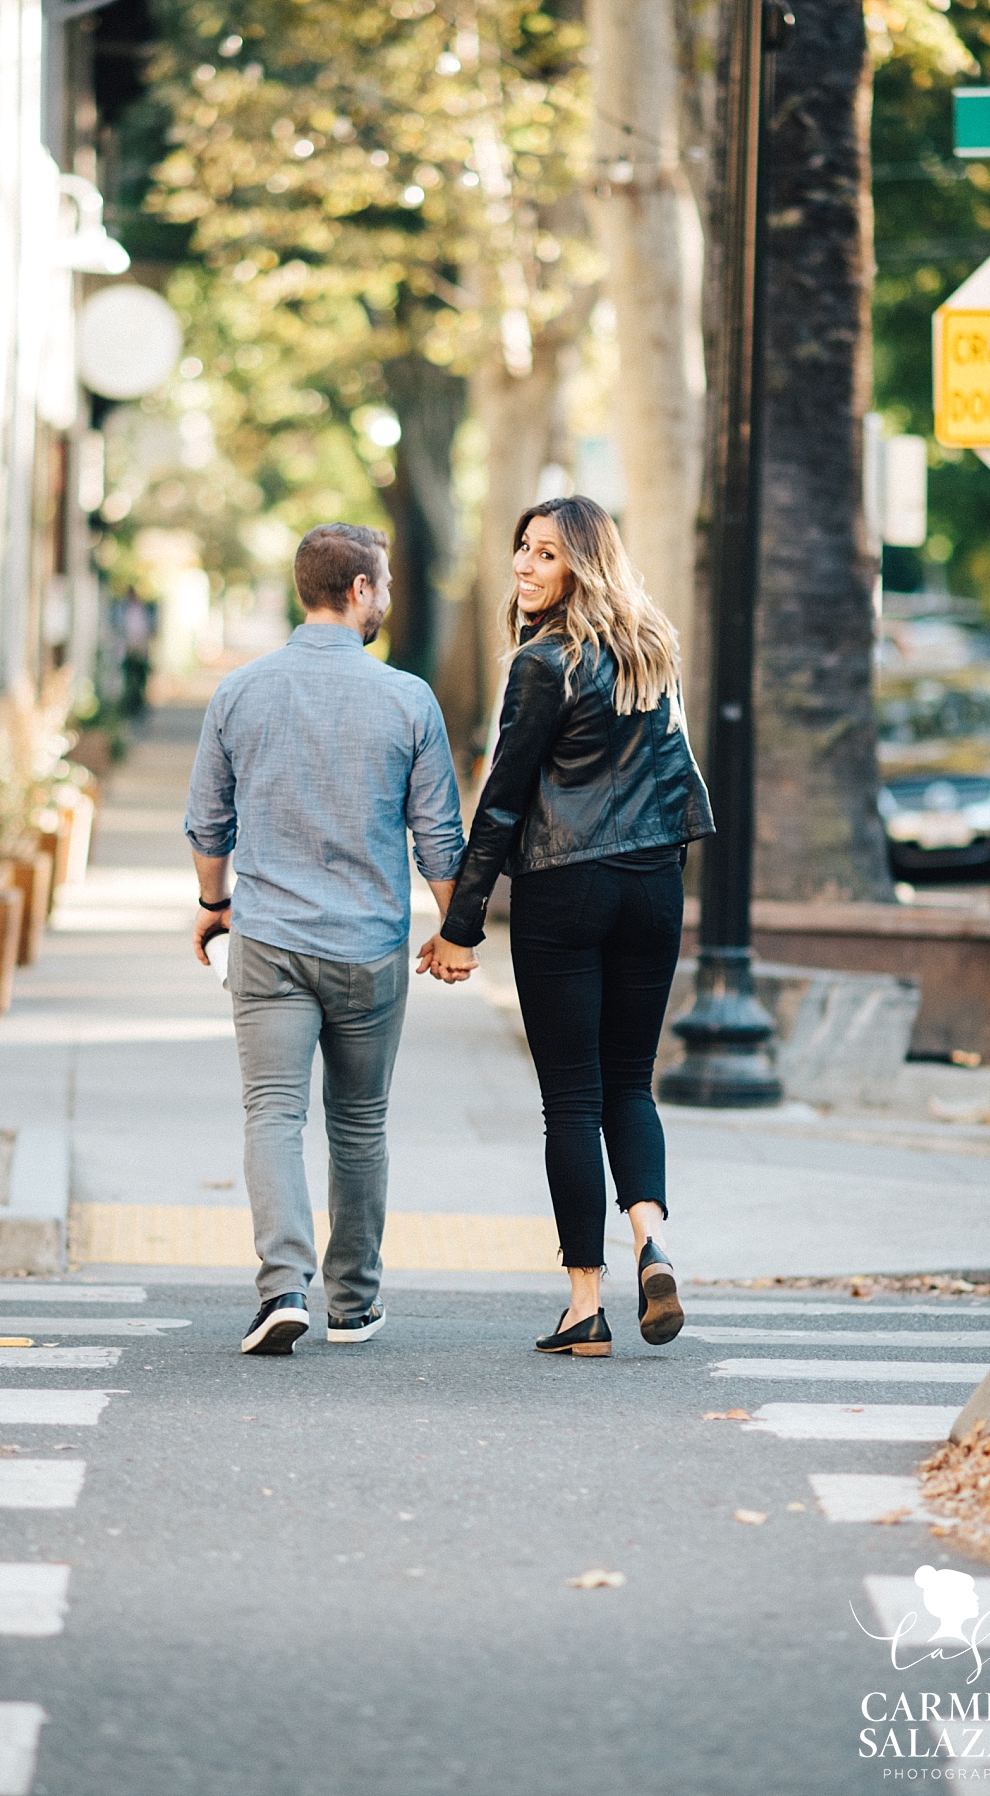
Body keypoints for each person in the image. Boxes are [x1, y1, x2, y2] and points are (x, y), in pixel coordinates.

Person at [419, 496, 714, 1357]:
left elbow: (503, 800)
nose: (523, 565)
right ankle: (651, 1244)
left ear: (581, 565)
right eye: (522, 549)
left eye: (545, 554)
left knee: (572, 1102)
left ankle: (584, 1305)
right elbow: (674, 778)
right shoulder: (652, 652)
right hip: (653, 886)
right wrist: (658, 881)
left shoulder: (544, 662)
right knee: (632, 1082)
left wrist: (460, 925)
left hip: (566, 889)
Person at [185, 523, 466, 1356]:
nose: (386, 599)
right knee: (360, 1122)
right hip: (370, 946)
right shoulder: (408, 699)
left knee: (272, 1113)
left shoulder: (239, 692)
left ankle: (282, 1289)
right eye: (382, 585)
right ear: (358, 591)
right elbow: (438, 840)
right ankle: (353, 1305)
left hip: (268, 937)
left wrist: (214, 901)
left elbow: (208, 822)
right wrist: (454, 932)